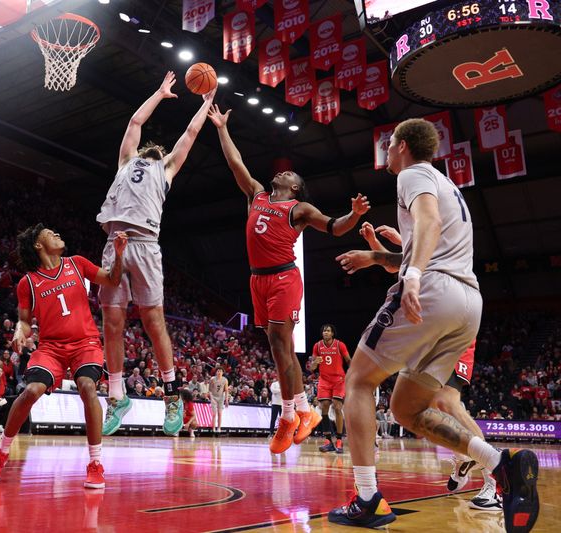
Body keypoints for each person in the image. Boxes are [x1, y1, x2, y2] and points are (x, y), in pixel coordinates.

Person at [330, 118, 538, 530]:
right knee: (406, 408)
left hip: (435, 289)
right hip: (467, 303)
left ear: (403, 145)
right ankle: (500, 464)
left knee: (357, 382)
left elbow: (429, 222)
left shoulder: (412, 175)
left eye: (389, 145)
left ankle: (368, 498)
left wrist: (412, 275)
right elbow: (428, 240)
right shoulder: (449, 185)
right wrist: (381, 258)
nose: (386, 152)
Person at [208, 104, 369, 454]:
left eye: (289, 174)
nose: (281, 174)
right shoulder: (257, 194)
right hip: (257, 280)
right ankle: (304, 411)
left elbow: (334, 227)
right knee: (277, 349)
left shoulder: (299, 209)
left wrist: (353, 215)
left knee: (282, 346)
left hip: (283, 278)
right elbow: (236, 163)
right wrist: (222, 128)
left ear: (295, 188)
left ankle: (287, 417)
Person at [98, 72, 216, 437]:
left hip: (146, 245)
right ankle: (117, 397)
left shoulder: (165, 169)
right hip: (114, 241)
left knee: (153, 323)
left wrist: (206, 104)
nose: (157, 147)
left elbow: (191, 135)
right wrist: (160, 94)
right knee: (113, 324)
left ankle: (172, 396)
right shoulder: (125, 161)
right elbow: (135, 121)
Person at [359, 221, 500, 511]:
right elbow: (397, 265)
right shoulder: (419, 248)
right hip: (430, 329)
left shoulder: (440, 235)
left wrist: (385, 246)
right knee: (418, 407)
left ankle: (494, 482)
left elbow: (409, 258)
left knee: (448, 403)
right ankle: (464, 458)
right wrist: (376, 243)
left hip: (453, 325)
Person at [0, 224, 127, 487]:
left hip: (85, 342)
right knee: (31, 390)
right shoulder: (28, 283)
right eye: (51, 233)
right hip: (51, 348)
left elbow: (113, 280)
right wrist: (18, 332)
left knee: (87, 386)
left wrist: (119, 254)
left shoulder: (77, 263)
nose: (58, 234)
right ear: (38, 244)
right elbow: (24, 321)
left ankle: (95, 463)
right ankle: (1, 453)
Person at [309, 324, 351, 453]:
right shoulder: (317, 346)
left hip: (338, 380)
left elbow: (348, 360)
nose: (325, 332)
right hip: (324, 380)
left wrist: (353, 373)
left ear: (332, 333)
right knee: (324, 408)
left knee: (338, 407)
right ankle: (328, 440)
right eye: (324, 331)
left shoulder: (340, 345)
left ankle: (339, 440)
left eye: (328, 331)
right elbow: (312, 368)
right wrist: (315, 362)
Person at [208, 367, 229, 433]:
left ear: (222, 373)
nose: (219, 372)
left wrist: (226, 400)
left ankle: (219, 428)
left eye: (220, 371)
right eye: (218, 371)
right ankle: (213, 428)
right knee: (214, 414)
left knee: (220, 413)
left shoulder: (225, 380)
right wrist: (211, 398)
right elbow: (210, 390)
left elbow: (226, 390)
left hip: (221, 398)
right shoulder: (212, 379)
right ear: (216, 372)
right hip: (213, 397)